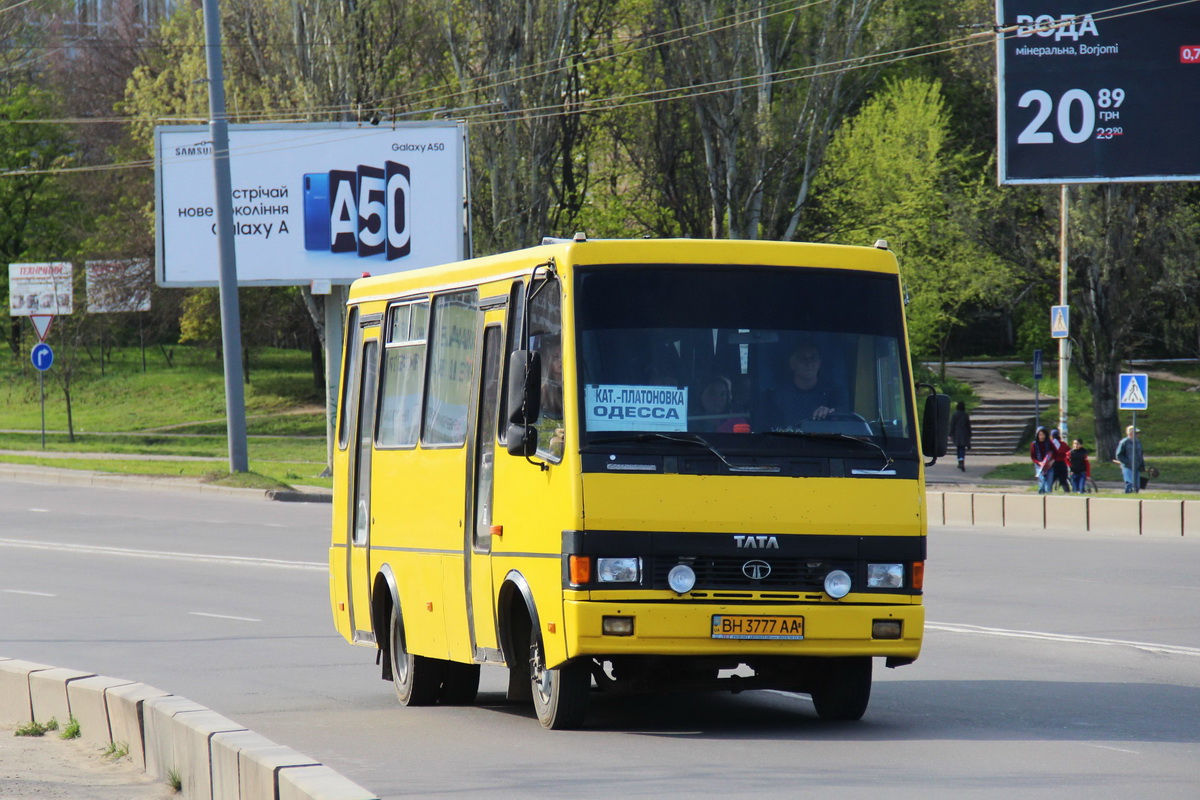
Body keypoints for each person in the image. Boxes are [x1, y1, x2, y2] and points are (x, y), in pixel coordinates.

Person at [771, 339, 848, 428]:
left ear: (819, 362)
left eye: (813, 357)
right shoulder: (776, 396)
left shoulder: (834, 393)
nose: (809, 363)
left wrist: (830, 414)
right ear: (792, 363)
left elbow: (843, 423)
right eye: (803, 358)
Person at [1113, 425, 1145, 494]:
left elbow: (1140, 454)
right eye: (1135, 433)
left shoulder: (1138, 442)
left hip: (1137, 466)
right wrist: (1127, 463)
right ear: (1130, 433)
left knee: (1137, 485)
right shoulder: (1124, 442)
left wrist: (1142, 464)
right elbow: (1119, 455)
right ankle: (1128, 495)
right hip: (1127, 467)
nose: (1137, 434)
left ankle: (1135, 495)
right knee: (1130, 484)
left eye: (1137, 433)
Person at [1030, 426, 1055, 494]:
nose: (1042, 436)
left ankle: (1049, 499)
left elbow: (1055, 453)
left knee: (1048, 485)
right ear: (1037, 435)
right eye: (1040, 435)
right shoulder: (1034, 444)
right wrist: (1039, 462)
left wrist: (1052, 461)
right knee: (1042, 483)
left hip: (1049, 466)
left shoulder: (1049, 443)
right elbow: (1033, 457)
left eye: (1043, 435)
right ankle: (1041, 497)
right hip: (1040, 466)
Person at [948, 401, 972, 472]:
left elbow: (952, 425)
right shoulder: (965, 415)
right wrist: (970, 434)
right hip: (964, 434)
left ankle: (960, 460)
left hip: (957, 434)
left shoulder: (955, 415)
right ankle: (962, 460)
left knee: (958, 448)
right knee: (962, 448)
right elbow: (968, 425)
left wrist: (950, 434)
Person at [1049, 428, 1071, 492]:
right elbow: (1069, 451)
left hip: (1053, 464)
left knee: (1051, 481)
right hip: (1062, 464)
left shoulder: (1051, 444)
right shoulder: (1063, 444)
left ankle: (1047, 492)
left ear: (1051, 436)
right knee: (1063, 481)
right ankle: (1067, 493)